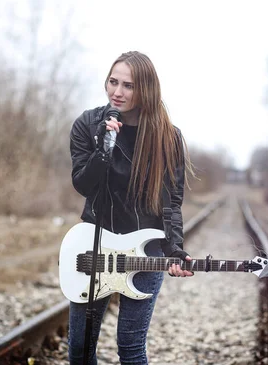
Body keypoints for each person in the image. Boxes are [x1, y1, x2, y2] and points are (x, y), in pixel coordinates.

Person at [68, 51, 195, 365]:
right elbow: (83, 185)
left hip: (146, 249)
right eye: (113, 82)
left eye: (128, 85)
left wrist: (175, 248)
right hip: (96, 243)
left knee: (131, 347)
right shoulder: (87, 124)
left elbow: (171, 203)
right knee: (80, 350)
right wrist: (104, 149)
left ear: (145, 90)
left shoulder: (168, 137)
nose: (117, 92)